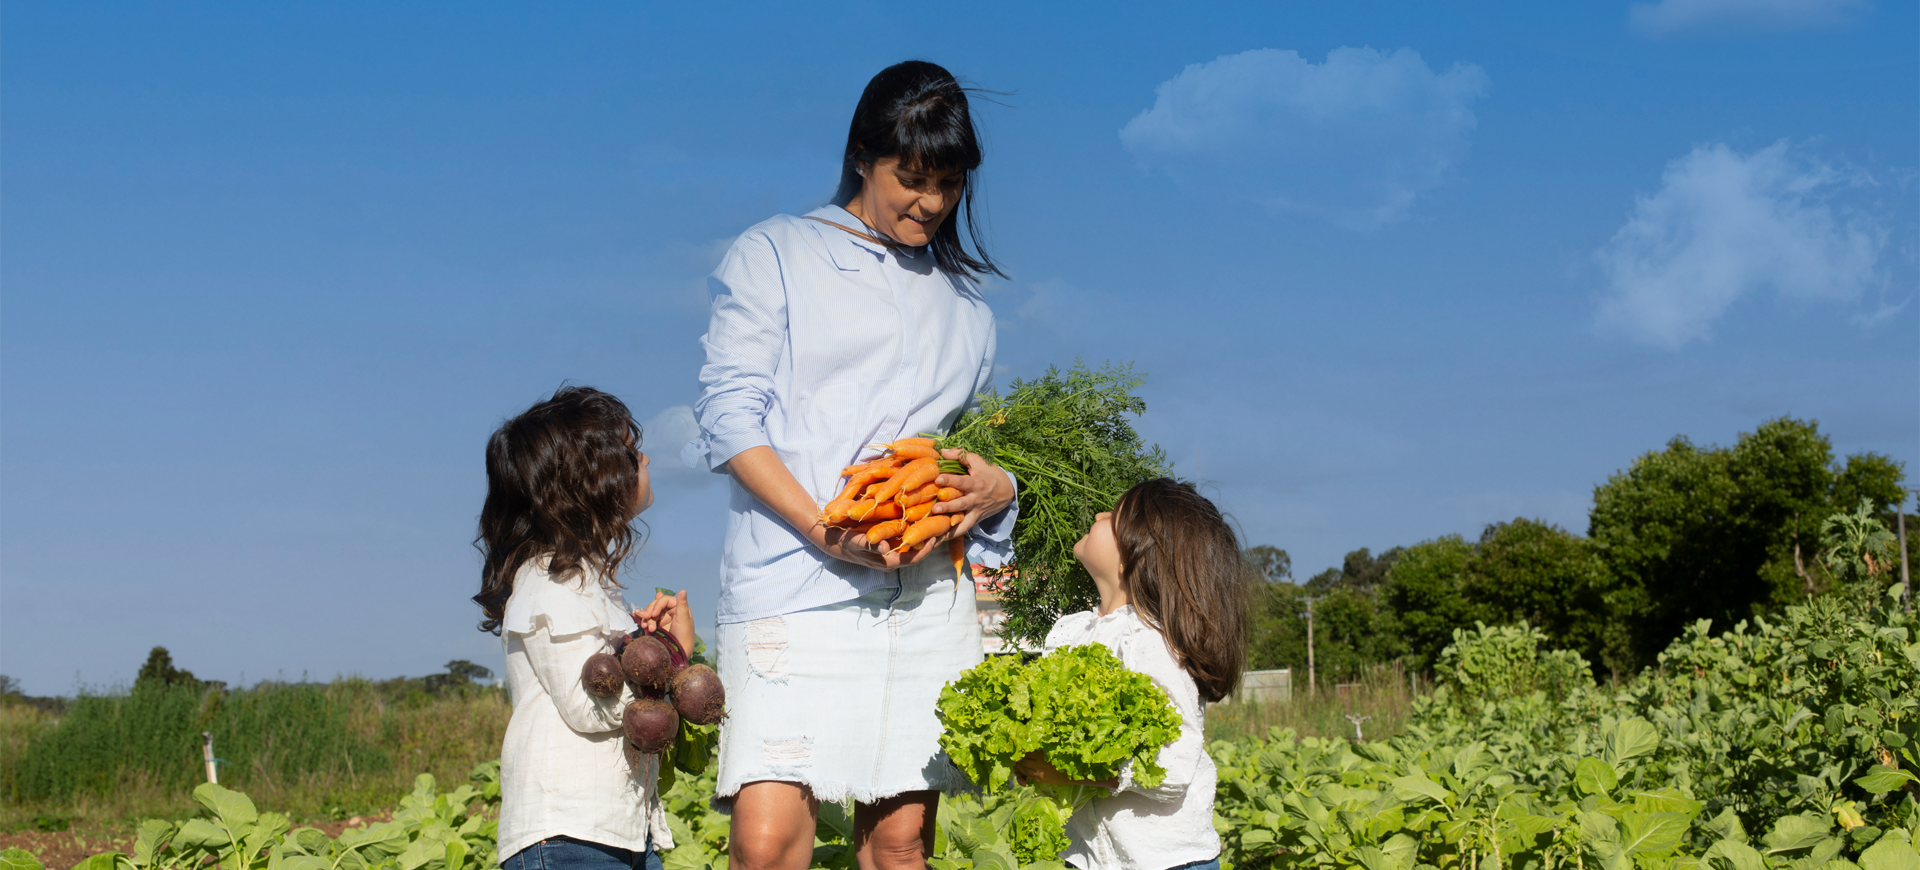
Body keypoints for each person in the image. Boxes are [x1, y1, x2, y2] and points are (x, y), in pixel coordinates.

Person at [681, 60, 1019, 870]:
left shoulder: (969, 309)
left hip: (924, 596)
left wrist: (1000, 486)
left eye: (947, 184)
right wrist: (823, 529)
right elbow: (729, 418)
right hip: (792, 585)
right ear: (862, 155)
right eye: (911, 178)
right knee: (766, 846)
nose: (929, 203)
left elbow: (985, 445)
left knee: (901, 847)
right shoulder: (777, 252)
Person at [473, 386, 697, 870]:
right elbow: (589, 705)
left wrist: (648, 643)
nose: (646, 458)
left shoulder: (583, 580)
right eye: (632, 452)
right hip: (569, 834)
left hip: (608, 830)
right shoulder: (556, 582)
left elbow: (607, 677)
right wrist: (675, 653)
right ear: (591, 481)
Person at [1015, 478, 1251, 870]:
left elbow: (1172, 766)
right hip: (1087, 857)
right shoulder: (1073, 631)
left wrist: (1067, 770)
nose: (1098, 514)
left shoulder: (1150, 642)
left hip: (1165, 861)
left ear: (1135, 556)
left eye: (1113, 515)